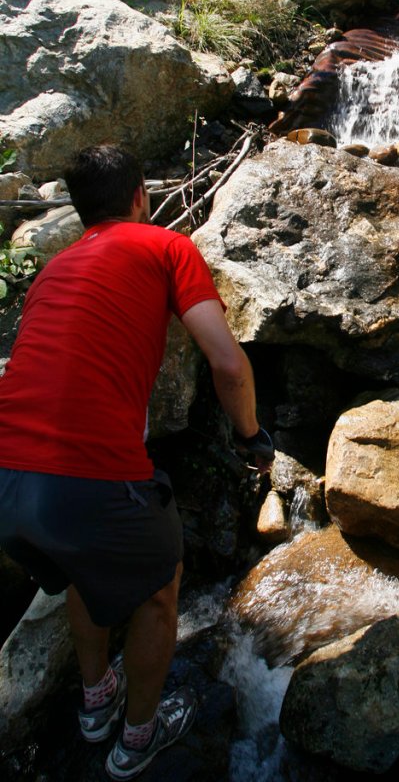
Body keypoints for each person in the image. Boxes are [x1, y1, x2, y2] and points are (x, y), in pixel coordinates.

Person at [0, 144, 273, 780]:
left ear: (79, 211)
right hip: (90, 477)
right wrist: (252, 437)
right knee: (159, 591)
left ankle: (96, 704)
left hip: (7, 480)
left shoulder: (52, 268)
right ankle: (136, 741)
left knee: (75, 571)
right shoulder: (166, 248)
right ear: (141, 198)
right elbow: (228, 363)